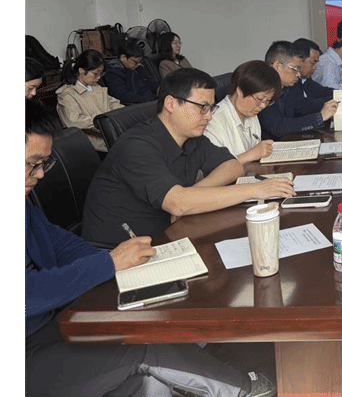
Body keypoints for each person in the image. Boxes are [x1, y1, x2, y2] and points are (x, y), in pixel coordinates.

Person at [25, 97, 276, 397]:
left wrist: (119, 262)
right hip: (33, 354)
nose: (40, 174)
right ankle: (244, 390)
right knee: (141, 345)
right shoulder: (137, 145)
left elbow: (63, 245)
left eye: (44, 164)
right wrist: (108, 263)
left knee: (149, 377)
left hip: (54, 326)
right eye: (32, 164)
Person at [82, 68, 295, 246]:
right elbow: (177, 204)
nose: (209, 116)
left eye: (210, 108)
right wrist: (256, 189)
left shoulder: (191, 137)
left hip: (169, 236)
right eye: (202, 108)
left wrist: (194, 193)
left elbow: (233, 166)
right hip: (122, 253)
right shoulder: (137, 146)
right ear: (171, 104)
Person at [258, 41, 338, 140]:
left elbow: (304, 106)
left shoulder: (290, 86)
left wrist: (333, 103)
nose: (299, 74)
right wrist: (319, 117)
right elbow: (278, 127)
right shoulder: (261, 88)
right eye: (295, 69)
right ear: (277, 66)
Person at [204, 60, 281, 163]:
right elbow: (213, 169)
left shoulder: (250, 113)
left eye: (267, 101)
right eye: (260, 99)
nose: (263, 106)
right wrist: (251, 154)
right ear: (240, 91)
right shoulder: (213, 121)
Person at [55, 49, 124, 151]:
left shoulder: (96, 87)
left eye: (100, 73)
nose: (99, 77)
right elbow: (74, 121)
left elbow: (114, 104)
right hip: (92, 141)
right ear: (81, 71)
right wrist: (105, 123)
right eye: (95, 73)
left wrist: (125, 114)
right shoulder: (66, 94)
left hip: (110, 133)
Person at [104, 38, 160, 104]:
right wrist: (130, 71)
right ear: (123, 58)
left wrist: (159, 90)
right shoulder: (113, 72)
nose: (138, 64)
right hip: (137, 104)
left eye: (140, 61)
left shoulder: (138, 67)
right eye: (135, 62)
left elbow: (150, 82)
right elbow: (124, 96)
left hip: (150, 100)